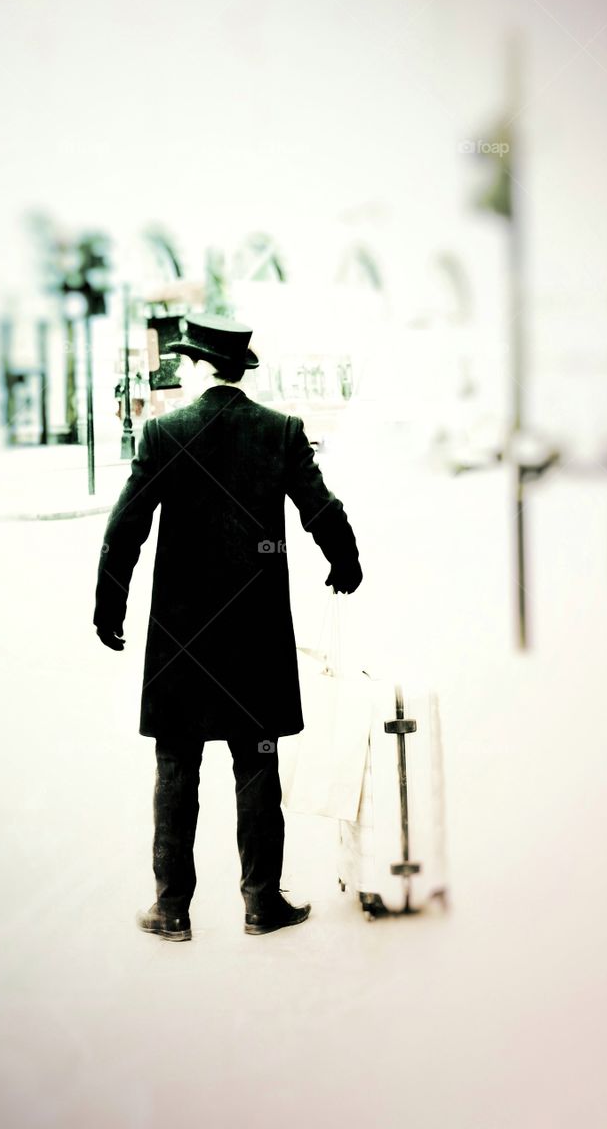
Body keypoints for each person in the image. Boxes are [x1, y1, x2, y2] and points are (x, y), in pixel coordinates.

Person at [94, 313, 363, 942]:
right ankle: (261, 903)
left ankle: (171, 909)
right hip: (256, 631)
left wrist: (111, 606)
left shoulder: (163, 435)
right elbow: (322, 507)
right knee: (257, 759)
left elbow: (123, 530)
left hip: (180, 635)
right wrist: (344, 561)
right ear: (237, 372)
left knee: (176, 763)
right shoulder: (281, 432)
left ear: (195, 367)